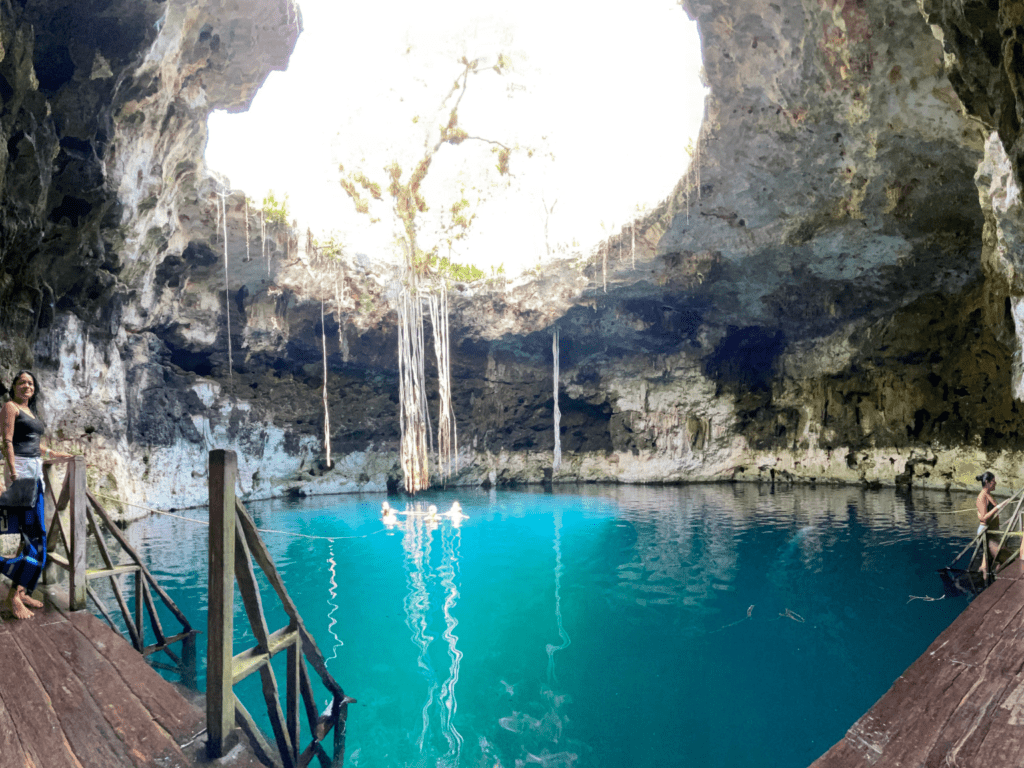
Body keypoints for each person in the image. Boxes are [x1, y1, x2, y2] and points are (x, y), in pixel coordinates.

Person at [0, 370, 71, 619]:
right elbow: (7, 441)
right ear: (15, 386)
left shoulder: (31, 412)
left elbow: (33, 444)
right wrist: (11, 471)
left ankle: (21, 589)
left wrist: (56, 455)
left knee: (32, 535)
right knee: (35, 536)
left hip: (36, 474)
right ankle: (12, 597)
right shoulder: (10, 407)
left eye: (30, 383)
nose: (26, 386)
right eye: (22, 382)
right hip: (22, 474)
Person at [976, 471, 1001, 577]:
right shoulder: (981, 497)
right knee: (998, 559)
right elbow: (984, 518)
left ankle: (991, 580)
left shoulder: (987, 494)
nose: (995, 483)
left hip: (991, 532)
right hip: (985, 532)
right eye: (993, 481)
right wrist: (998, 507)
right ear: (987, 482)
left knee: (988, 561)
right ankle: (990, 582)